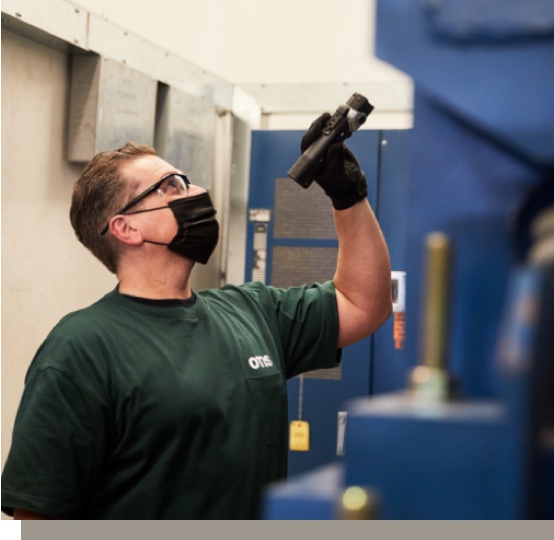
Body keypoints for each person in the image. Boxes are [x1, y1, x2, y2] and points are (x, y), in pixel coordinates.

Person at [0, 113, 392, 519]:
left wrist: (348, 196)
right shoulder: (80, 348)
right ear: (126, 228)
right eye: (172, 187)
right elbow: (35, 518)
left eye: (188, 181)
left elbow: (364, 303)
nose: (198, 192)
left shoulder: (253, 311)